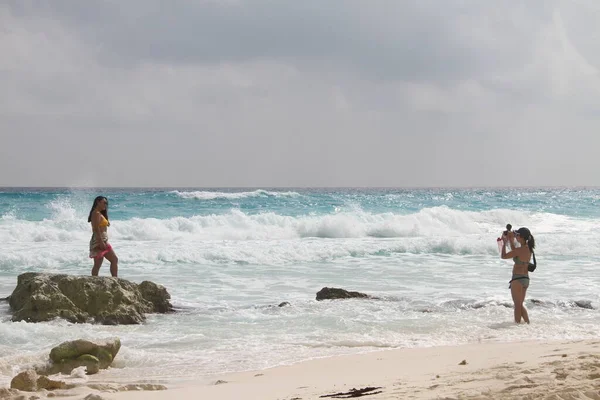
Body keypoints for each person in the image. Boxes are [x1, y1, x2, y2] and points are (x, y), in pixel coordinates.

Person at [501, 227, 535, 324]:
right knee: (519, 304)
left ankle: (517, 326)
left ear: (522, 237)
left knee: (517, 305)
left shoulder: (519, 250)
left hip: (517, 279)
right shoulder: (528, 249)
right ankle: (528, 324)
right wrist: (511, 241)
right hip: (525, 279)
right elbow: (516, 252)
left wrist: (504, 243)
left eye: (517, 235)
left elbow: (504, 256)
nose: (516, 237)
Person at [88, 196, 118, 277]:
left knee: (98, 264)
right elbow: (95, 229)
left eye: (106, 203)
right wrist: (101, 242)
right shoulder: (96, 213)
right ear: (98, 202)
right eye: (104, 203)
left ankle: (94, 281)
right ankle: (115, 279)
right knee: (114, 259)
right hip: (99, 241)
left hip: (101, 240)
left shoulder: (99, 213)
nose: (106, 204)